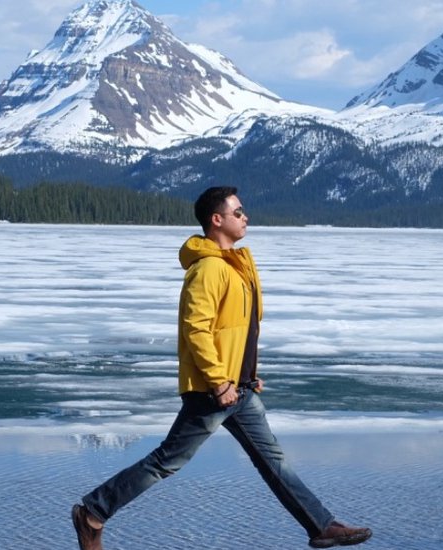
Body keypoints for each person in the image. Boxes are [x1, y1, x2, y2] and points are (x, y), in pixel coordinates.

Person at [71, 186, 372, 549]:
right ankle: (93, 512)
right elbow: (196, 329)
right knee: (167, 460)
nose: (246, 217)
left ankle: (320, 525)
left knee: (273, 460)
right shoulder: (209, 269)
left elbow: (238, 330)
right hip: (214, 391)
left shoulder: (235, 265)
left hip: (239, 388)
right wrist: (218, 381)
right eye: (238, 212)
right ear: (217, 220)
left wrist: (247, 374)